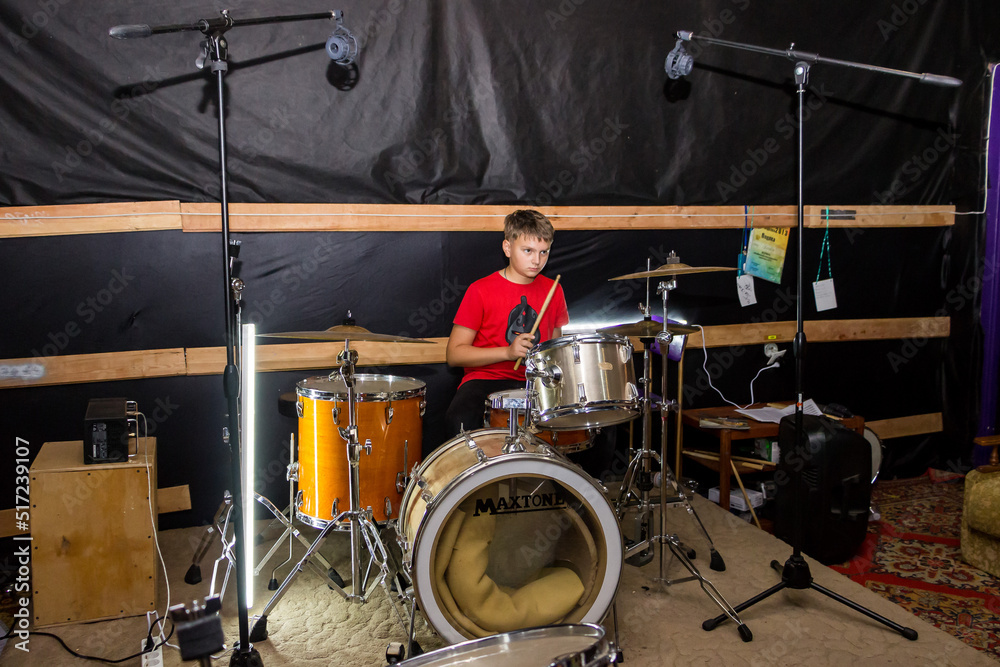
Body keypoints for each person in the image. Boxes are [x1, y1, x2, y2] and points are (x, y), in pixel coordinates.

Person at [444, 209, 569, 436]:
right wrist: (508, 352)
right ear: (507, 248)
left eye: (544, 252)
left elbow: (554, 346)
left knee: (591, 422)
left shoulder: (554, 289)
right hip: (485, 379)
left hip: (534, 383)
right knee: (459, 419)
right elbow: (454, 355)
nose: (537, 260)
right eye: (528, 250)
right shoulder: (480, 290)